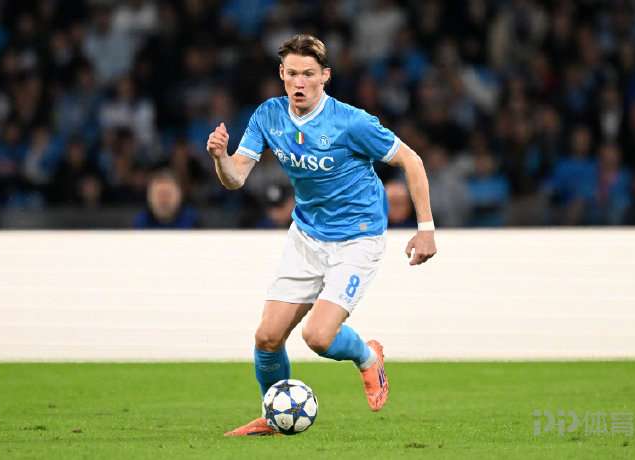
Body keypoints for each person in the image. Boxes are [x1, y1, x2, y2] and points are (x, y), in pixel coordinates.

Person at [206, 34, 436, 436]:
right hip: (307, 235)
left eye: (308, 74)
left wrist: (426, 230)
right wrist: (220, 159)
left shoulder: (351, 122)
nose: (299, 83)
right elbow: (236, 177)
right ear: (281, 73)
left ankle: (368, 357)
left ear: (324, 76)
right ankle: (274, 416)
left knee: (318, 336)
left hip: (357, 238)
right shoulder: (269, 115)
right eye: (292, 73)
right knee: (267, 337)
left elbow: (411, 161)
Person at [133, 169, 199, 229]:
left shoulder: (193, 221)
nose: (163, 200)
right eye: (159, 195)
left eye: (168, 194)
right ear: (149, 198)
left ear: (179, 196)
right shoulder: (140, 223)